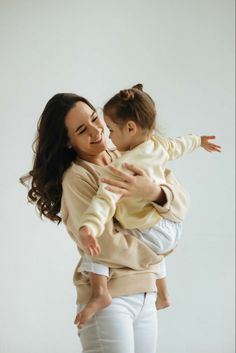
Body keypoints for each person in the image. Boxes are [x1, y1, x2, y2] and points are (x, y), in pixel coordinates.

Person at [20, 92, 211, 353]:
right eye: (81, 129)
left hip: (146, 292)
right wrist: (158, 252)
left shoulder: (128, 152)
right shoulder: (77, 178)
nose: (97, 131)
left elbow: (181, 203)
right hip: (112, 300)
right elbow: (105, 245)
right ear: (67, 141)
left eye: (95, 119)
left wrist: (153, 192)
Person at [76, 84, 221, 327]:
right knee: (140, 228)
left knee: (97, 241)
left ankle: (100, 291)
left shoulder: (124, 165)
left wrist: (88, 226)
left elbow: (104, 199)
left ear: (130, 127)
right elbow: (180, 144)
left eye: (111, 129)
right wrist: (199, 140)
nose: (108, 135)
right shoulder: (158, 144)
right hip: (171, 226)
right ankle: (163, 294)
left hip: (154, 231)